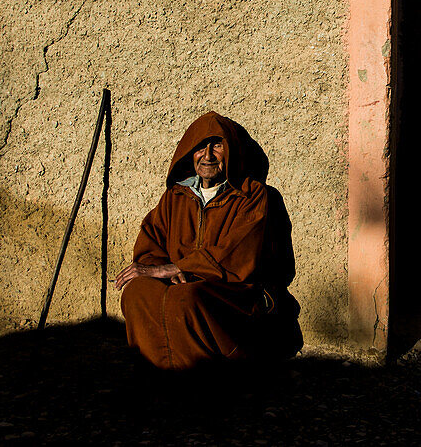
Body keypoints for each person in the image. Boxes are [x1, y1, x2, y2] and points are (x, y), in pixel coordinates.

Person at [115, 111, 301, 370]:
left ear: (231, 150)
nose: (208, 155)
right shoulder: (176, 197)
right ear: (189, 153)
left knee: (187, 298)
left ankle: (205, 384)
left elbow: (240, 252)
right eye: (200, 146)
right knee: (138, 292)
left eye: (217, 145)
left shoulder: (254, 196)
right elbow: (151, 243)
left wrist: (182, 267)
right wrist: (162, 271)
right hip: (183, 285)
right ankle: (156, 378)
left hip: (238, 292)